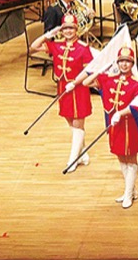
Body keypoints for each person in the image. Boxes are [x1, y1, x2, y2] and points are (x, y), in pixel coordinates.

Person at [29, 13, 94, 171]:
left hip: (78, 89)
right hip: (63, 88)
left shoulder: (83, 48)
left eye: (71, 28)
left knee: (78, 124)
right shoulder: (56, 46)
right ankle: (83, 153)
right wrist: (47, 35)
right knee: (70, 122)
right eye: (65, 28)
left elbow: (89, 71)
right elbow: (33, 47)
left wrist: (75, 82)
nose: (68, 31)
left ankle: (73, 160)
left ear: (76, 29)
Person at [84, 47, 138, 209]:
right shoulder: (108, 80)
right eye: (121, 61)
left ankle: (128, 194)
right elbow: (86, 82)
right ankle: (131, 190)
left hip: (129, 126)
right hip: (115, 126)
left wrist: (120, 113)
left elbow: (136, 106)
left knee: (130, 159)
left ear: (132, 64)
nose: (124, 64)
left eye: (128, 61)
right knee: (121, 157)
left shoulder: (137, 84)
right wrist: (101, 70)